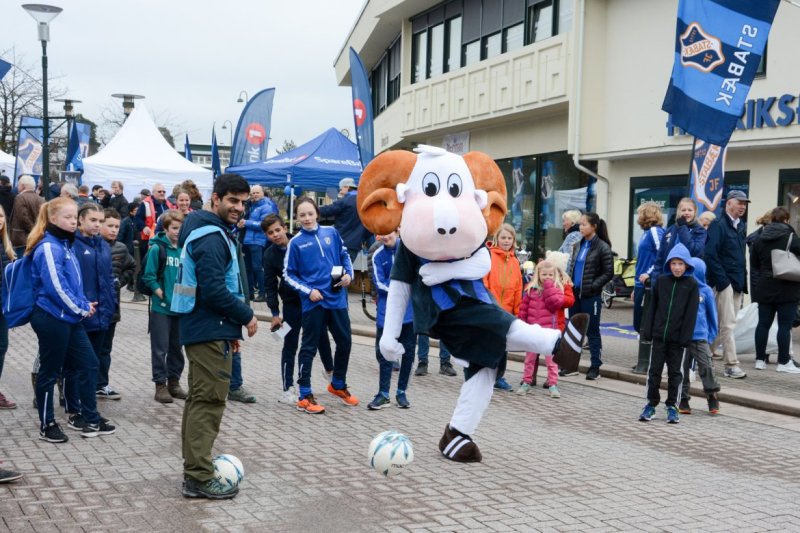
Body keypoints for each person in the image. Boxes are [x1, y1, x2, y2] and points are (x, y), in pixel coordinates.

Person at [178, 174, 257, 500]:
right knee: (208, 403)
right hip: (206, 329)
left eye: (243, 202)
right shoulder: (211, 237)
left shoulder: (205, 230)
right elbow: (213, 290)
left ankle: (194, 471)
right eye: (232, 201)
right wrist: (246, 316)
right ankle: (198, 477)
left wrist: (229, 330)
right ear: (216, 200)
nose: (238, 207)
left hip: (207, 330)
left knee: (199, 400)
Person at [28, 197, 116, 441]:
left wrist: (81, 305)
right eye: (67, 217)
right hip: (52, 318)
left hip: (70, 318)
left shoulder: (64, 245)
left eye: (73, 216)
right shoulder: (49, 246)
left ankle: (90, 416)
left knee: (89, 363)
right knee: (50, 371)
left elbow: (72, 285)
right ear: (53, 218)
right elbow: (55, 287)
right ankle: (47, 424)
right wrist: (81, 308)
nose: (72, 221)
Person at [284, 197, 359, 414]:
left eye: (310, 214)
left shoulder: (331, 233)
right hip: (314, 303)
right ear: (297, 218)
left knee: (345, 342)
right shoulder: (295, 243)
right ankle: (304, 394)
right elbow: (288, 274)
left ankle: (337, 384)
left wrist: (349, 275)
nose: (307, 218)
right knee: (308, 347)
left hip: (337, 300)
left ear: (317, 213)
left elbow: (344, 255)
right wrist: (309, 291)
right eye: (302, 215)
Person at [261, 214, 333, 404]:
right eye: (270, 233)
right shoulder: (269, 255)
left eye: (277, 230)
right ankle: (288, 388)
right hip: (292, 303)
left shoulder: (301, 241)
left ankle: (331, 374)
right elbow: (270, 285)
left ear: (285, 228)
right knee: (289, 343)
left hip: (313, 298)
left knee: (321, 336)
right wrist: (275, 314)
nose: (275, 235)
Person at [639, 243, 699, 424]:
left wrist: (685, 338)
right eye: (673, 263)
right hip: (659, 336)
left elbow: (691, 314)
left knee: (676, 373)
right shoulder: (661, 282)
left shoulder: (691, 285)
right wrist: (648, 331)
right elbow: (652, 308)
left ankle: (673, 405)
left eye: (680, 264)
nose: (677, 268)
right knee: (654, 371)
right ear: (668, 265)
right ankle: (651, 404)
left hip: (678, 340)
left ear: (687, 265)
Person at [67, 203, 118, 408]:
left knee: (93, 363)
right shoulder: (72, 244)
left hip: (102, 315)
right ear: (80, 220)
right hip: (82, 314)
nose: (97, 225)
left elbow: (108, 277)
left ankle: (85, 403)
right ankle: (73, 403)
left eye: (100, 221)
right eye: (93, 220)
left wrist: (110, 303)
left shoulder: (102, 245)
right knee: (77, 364)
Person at [143, 209, 188, 402]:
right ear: (166, 228)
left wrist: (187, 300)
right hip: (161, 308)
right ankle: (160, 384)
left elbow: (189, 277)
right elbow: (149, 276)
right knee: (160, 348)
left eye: (181, 228)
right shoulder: (157, 248)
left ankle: (174, 382)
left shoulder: (186, 249)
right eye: (174, 228)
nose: (178, 231)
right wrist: (160, 293)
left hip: (181, 308)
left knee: (177, 348)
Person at [367, 229, 415, 410]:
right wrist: (399, 290)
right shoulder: (378, 254)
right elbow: (378, 282)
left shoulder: (411, 250)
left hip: (409, 313)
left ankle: (402, 392)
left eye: (389, 233)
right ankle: (383, 394)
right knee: (385, 353)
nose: (385, 237)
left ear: (398, 231)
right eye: (382, 234)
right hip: (387, 313)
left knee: (409, 354)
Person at [705, 190, 750, 379]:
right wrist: (723, 282)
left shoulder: (740, 226)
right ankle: (731, 365)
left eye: (744, 203)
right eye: (739, 202)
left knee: (719, 323)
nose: (742, 206)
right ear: (728, 203)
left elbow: (738, 257)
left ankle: (702, 356)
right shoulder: (718, 225)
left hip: (737, 282)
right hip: (726, 283)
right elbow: (710, 255)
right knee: (728, 324)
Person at [750, 207, 800, 374]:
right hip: (787, 286)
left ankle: (759, 360)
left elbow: (755, 264)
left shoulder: (759, 238)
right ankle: (783, 362)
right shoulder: (791, 237)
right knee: (784, 326)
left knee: (763, 324)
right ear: (786, 220)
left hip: (765, 286)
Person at [566, 212, 614, 380]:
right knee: (573, 330)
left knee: (592, 331)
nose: (581, 227)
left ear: (594, 226)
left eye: (584, 224)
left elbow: (608, 272)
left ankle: (595, 366)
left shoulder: (602, 247)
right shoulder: (578, 245)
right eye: (580, 224)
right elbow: (572, 267)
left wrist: (593, 287)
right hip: (575, 295)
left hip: (590, 296)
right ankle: (570, 365)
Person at [517, 259, 574, 398]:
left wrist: (549, 287)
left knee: (551, 361)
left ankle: (553, 384)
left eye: (550, 275)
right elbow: (524, 309)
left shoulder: (557, 289)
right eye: (544, 275)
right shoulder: (531, 289)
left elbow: (555, 304)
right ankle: (526, 382)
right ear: (538, 274)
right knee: (529, 359)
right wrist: (522, 325)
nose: (547, 278)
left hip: (550, 332)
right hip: (533, 330)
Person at [99, 208, 136, 402]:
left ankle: (102, 384)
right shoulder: (93, 244)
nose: (113, 230)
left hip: (112, 309)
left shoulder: (121, 248)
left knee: (105, 349)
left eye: (116, 226)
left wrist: (119, 281)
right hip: (93, 308)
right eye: (110, 226)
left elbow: (131, 266)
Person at [678, 257, 721, 414]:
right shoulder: (681, 288)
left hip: (700, 337)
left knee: (707, 367)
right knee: (681, 369)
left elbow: (712, 316)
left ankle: (712, 396)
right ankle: (683, 399)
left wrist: (710, 336)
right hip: (682, 337)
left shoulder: (706, 291)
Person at [482, 223, 522, 391]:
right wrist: (487, 304)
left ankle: (499, 376)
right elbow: (484, 282)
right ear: (497, 238)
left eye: (509, 238)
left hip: (507, 312)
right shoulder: (489, 256)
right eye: (503, 237)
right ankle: (482, 376)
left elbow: (518, 288)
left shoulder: (514, 261)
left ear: (513, 240)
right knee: (486, 344)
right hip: (491, 309)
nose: (506, 241)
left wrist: (518, 310)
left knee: (502, 346)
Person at [239, 185, 277, 302]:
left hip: (257, 241)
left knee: (257, 268)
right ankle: (249, 293)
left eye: (257, 193)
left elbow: (263, 225)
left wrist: (246, 222)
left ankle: (263, 293)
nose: (254, 195)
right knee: (247, 268)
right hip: (247, 241)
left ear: (262, 193)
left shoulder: (266, 206)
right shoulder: (250, 206)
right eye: (253, 193)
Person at [319, 177, 370, 262]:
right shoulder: (364, 201)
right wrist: (363, 239)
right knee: (346, 270)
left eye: (341, 189)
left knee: (335, 270)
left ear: (347, 187)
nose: (340, 192)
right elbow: (368, 226)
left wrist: (313, 209)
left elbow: (328, 210)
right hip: (355, 244)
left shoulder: (346, 200)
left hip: (340, 242)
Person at [652, 197, 707, 278]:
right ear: (678, 211)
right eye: (683, 210)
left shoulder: (700, 231)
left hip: (689, 279)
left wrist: (683, 228)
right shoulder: (670, 230)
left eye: (690, 210)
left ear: (695, 212)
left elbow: (695, 252)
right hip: (668, 278)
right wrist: (655, 280)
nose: (686, 213)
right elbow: (660, 258)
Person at [632, 202, 665, 333]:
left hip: (648, 283)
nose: (638, 216)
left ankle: (650, 353)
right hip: (640, 284)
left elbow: (661, 255)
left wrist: (649, 274)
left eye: (640, 213)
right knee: (639, 324)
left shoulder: (655, 231)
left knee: (644, 324)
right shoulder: (646, 232)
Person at [0, 205, 16, 409]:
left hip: (2, 307)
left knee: (2, 347)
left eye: (2, 216)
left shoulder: (6, 246)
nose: (0, 220)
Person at [10, 175, 44, 257]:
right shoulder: (40, 199)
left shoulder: (20, 198)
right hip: (36, 238)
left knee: (22, 265)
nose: (17, 187)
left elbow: (23, 218)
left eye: (18, 184)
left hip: (23, 239)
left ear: (23, 186)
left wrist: (33, 231)